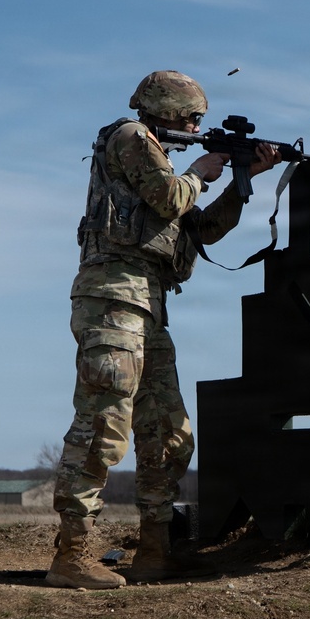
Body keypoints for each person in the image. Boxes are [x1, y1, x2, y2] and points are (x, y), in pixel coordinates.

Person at [46, 70, 281, 589]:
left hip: (148, 305)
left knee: (167, 434)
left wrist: (247, 181)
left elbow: (201, 230)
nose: (198, 126)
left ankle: (155, 552)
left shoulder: (164, 164)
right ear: (167, 110)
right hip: (112, 300)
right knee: (102, 427)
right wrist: (202, 170)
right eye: (194, 118)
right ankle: (71, 555)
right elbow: (173, 197)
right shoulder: (131, 138)